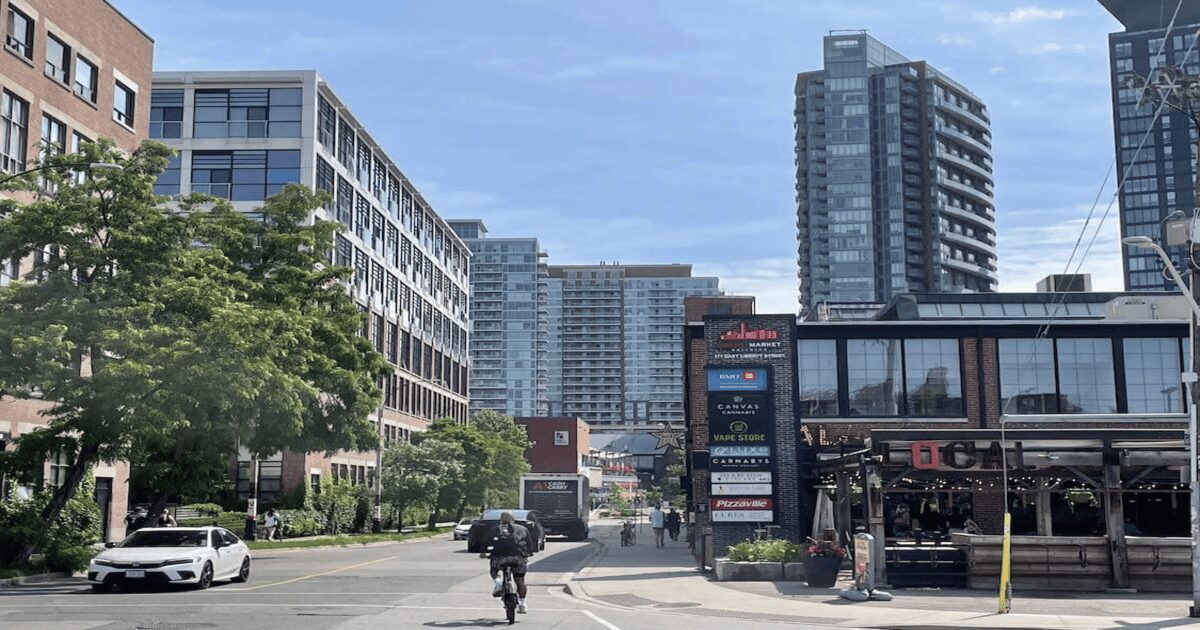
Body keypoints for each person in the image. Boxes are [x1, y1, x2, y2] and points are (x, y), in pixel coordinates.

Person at [487, 511, 535, 614]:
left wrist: (483, 552)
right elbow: (530, 544)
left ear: (501, 519)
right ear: (513, 519)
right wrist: (529, 553)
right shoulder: (523, 529)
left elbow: (486, 541)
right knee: (520, 581)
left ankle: (499, 584)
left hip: (500, 558)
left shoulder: (496, 529)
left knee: (494, 570)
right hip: (519, 558)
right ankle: (523, 604)